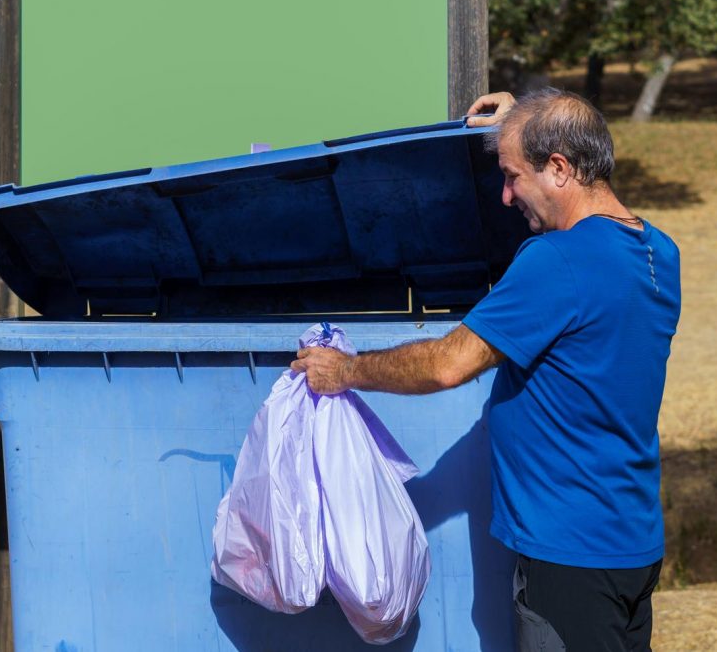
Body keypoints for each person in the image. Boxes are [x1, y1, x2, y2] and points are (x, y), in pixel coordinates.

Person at [291, 88, 681, 651]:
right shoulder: (658, 253)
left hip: (566, 553)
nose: (504, 195)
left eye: (513, 176)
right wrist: (527, 116)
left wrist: (345, 372)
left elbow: (448, 364)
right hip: (630, 539)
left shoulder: (557, 262)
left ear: (559, 168)